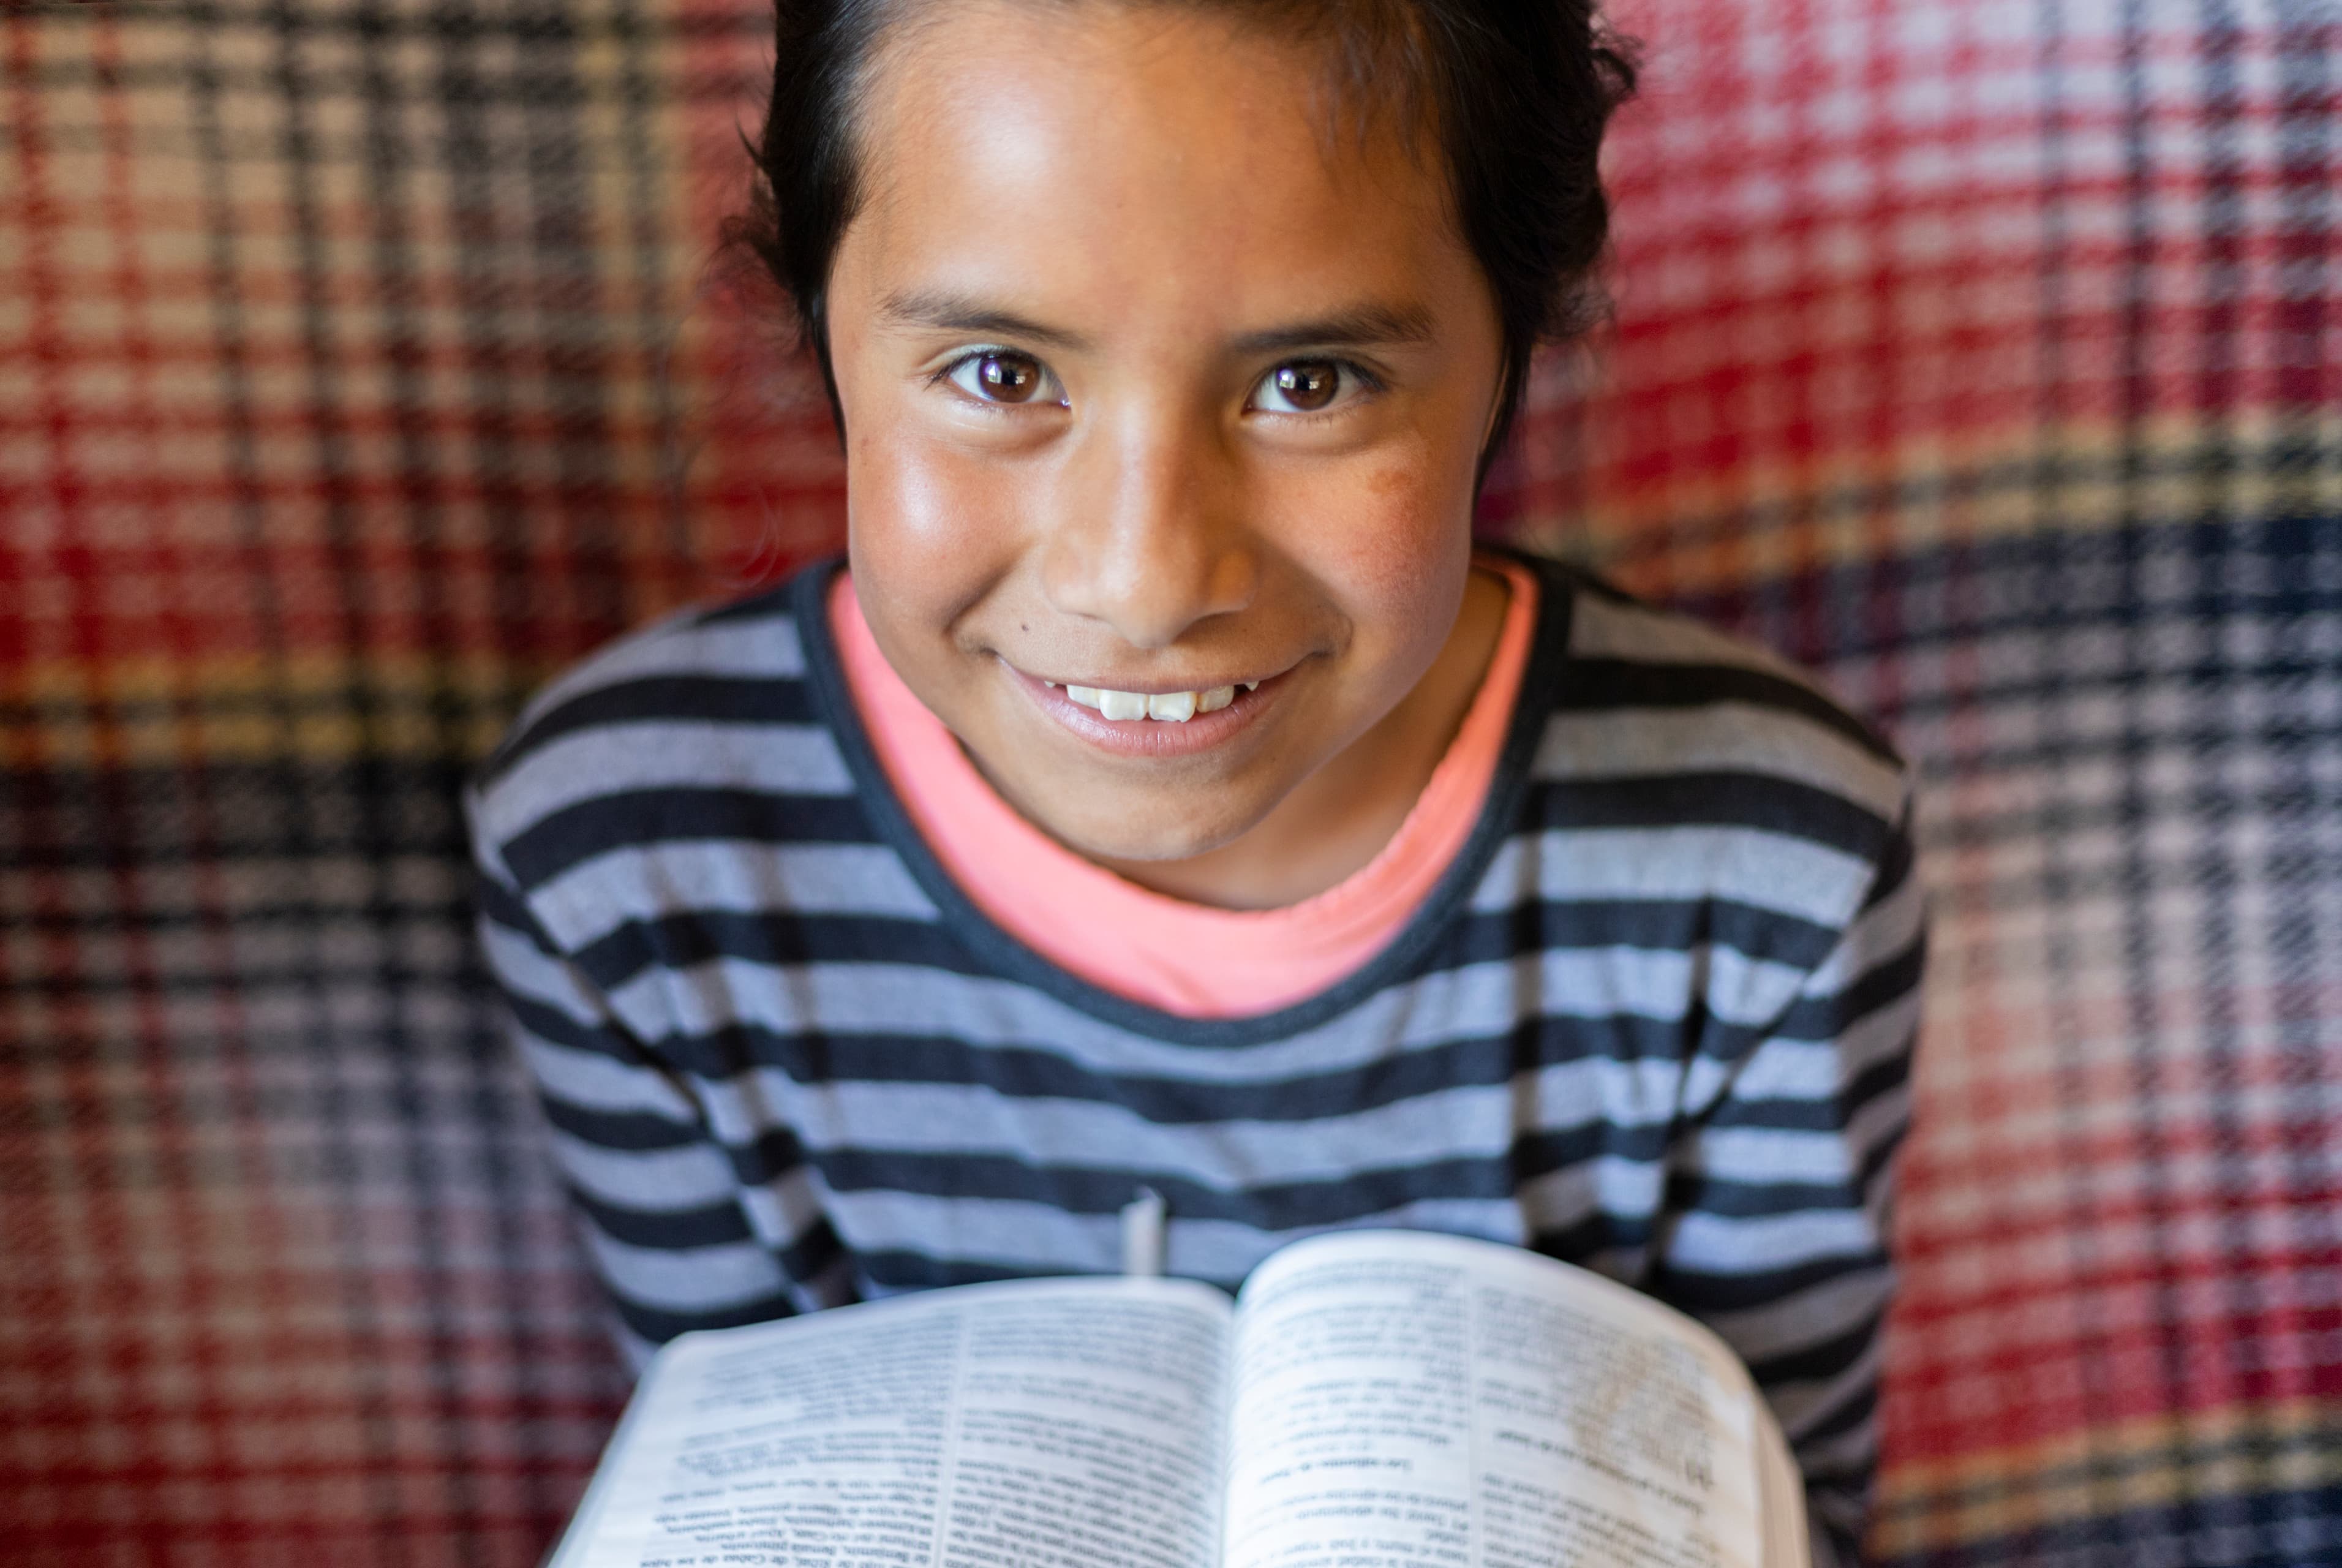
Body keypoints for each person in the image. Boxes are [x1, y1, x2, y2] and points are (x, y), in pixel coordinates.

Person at [465, 2, 1922, 1561]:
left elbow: (1780, 1502)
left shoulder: (1775, 865)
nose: (1145, 578)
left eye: (1310, 382)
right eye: (1001, 369)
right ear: (816, 321)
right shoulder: (631, 857)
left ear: (1521, 337)